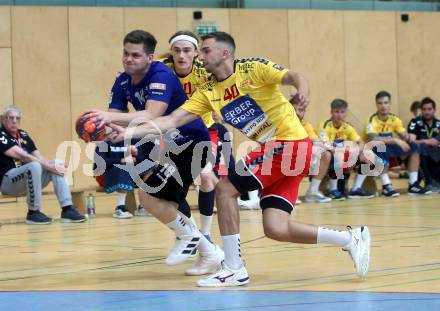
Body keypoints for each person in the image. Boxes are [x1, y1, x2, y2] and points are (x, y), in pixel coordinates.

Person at [106, 32, 371, 287]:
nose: (200, 54)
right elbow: (170, 120)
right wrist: (128, 131)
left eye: (205, 50)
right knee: (276, 227)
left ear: (225, 53)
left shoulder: (253, 69)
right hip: (281, 152)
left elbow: (294, 76)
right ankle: (350, 239)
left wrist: (302, 93)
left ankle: (233, 268)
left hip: (288, 143)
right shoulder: (208, 91)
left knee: (224, 188)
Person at [90, 30, 223, 275]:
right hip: (166, 146)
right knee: (162, 199)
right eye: (126, 54)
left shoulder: (161, 74)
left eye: (136, 55)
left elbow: (152, 114)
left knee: (152, 197)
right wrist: (105, 128)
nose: (129, 59)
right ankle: (208, 251)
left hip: (191, 143)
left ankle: (193, 238)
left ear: (150, 58)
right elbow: (115, 115)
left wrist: (110, 119)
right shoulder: (122, 81)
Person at [160, 30, 219, 242]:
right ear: (172, 53)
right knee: (173, 185)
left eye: (187, 51)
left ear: (195, 53)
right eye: (177, 51)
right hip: (173, 133)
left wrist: (220, 107)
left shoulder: (206, 71)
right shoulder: (161, 69)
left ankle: (206, 233)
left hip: (205, 131)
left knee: (205, 175)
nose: (181, 55)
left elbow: (228, 84)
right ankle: (192, 232)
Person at [0, 106, 86, 224]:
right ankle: (33, 213)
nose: (14, 121)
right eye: (11, 118)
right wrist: (50, 167)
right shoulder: (1, 135)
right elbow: (23, 156)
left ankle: (67, 209)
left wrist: (54, 166)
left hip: (27, 178)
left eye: (17, 118)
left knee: (56, 163)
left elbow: (39, 156)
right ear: (4, 120)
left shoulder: (23, 134)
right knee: (34, 165)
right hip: (8, 182)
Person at [360, 91, 430, 197]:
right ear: (376, 105)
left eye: (386, 102)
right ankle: (386, 186)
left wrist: (409, 137)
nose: (383, 106)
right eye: (380, 103)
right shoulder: (372, 119)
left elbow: (404, 135)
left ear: (390, 104)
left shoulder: (394, 119)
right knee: (379, 146)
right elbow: (373, 138)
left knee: (415, 147)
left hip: (388, 152)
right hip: (369, 154)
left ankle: (413, 184)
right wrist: (395, 140)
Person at [291, 101, 332, 203]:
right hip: (279, 158)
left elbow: (316, 141)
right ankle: (288, 193)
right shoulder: (282, 123)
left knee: (325, 154)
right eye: (293, 109)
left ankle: (312, 192)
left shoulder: (305, 124)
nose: (297, 112)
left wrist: (328, 148)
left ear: (304, 111)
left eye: (300, 110)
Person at [408, 97, 440, 192]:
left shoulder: (438, 123)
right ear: (421, 110)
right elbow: (411, 141)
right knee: (418, 148)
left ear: (434, 110)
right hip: (420, 155)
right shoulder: (415, 122)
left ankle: (435, 182)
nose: (427, 112)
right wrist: (426, 141)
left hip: (435, 155)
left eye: (429, 109)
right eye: (424, 109)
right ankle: (429, 182)